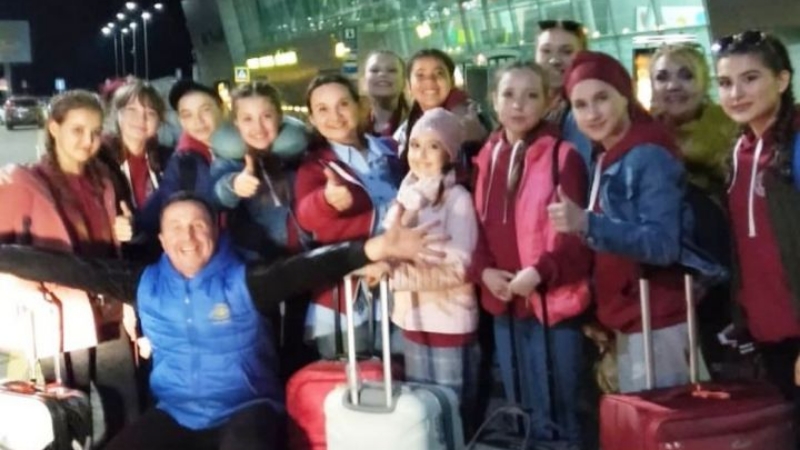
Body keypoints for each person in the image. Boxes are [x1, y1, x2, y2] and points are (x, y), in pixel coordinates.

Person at [0, 192, 445, 450]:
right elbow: (68, 268)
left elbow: (307, 267)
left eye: (198, 225)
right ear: (162, 239)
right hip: (177, 412)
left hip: (247, 409)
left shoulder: (244, 281)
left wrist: (373, 248)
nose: (188, 236)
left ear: (214, 230)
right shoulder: (144, 283)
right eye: (176, 228)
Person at [548, 51, 724, 393]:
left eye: (602, 98)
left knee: (669, 418)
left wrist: (587, 224)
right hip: (633, 315)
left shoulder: (647, 154)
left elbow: (662, 244)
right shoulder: (610, 153)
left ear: (624, 97)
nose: (592, 113)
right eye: (581, 105)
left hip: (656, 318)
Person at [0, 90, 139, 439]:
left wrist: (124, 231)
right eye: (77, 130)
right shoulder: (24, 182)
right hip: (61, 321)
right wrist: (34, 293)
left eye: (95, 132)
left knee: (123, 409)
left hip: (110, 312)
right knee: (75, 421)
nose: (88, 141)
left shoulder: (104, 181)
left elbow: (111, 243)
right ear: (54, 128)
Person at [470, 61, 591, 445]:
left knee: (559, 410)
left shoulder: (562, 156)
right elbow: (477, 226)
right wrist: (483, 271)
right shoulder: (487, 156)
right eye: (508, 94)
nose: (518, 104)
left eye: (531, 95)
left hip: (550, 303)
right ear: (493, 100)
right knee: (519, 407)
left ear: (550, 102)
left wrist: (540, 271)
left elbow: (578, 235)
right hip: (505, 302)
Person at [361, 107, 480, 431]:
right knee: (421, 410)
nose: (421, 154)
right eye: (415, 145)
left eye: (433, 146)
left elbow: (460, 267)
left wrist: (395, 276)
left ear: (449, 153)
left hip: (448, 320)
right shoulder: (407, 194)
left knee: (450, 410)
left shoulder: (457, 199)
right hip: (412, 319)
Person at [713, 30, 800, 430]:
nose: (735, 93)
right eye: (725, 82)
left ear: (782, 80)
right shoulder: (738, 152)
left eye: (750, 78)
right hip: (767, 335)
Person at [294, 74, 403, 358]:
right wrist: (326, 201)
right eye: (323, 109)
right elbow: (306, 216)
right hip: (344, 297)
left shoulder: (392, 153)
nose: (335, 116)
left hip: (399, 288)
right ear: (312, 119)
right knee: (351, 379)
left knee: (400, 376)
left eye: (343, 104)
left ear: (359, 105)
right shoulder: (314, 167)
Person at [210, 81, 312, 378]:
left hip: (301, 258)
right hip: (256, 264)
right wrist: (234, 186)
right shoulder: (229, 159)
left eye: (266, 116)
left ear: (280, 116)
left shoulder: (298, 153)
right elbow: (215, 194)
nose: (258, 127)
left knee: (300, 340)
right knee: (262, 340)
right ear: (235, 124)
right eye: (247, 118)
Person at [649, 43, 739, 379]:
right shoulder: (642, 134)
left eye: (686, 75)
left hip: (730, 269)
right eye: (663, 77)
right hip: (666, 276)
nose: (673, 85)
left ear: (704, 82)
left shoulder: (732, 127)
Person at [97, 79, 174, 262]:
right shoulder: (99, 160)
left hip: (163, 255)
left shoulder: (169, 160)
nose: (141, 119)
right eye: (132, 110)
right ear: (118, 115)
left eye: (150, 113)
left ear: (159, 120)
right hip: (116, 259)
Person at [137, 79, 224, 234]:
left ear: (221, 109)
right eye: (187, 115)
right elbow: (162, 203)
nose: (198, 121)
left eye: (205, 110)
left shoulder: (246, 147)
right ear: (180, 121)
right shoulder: (183, 162)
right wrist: (134, 227)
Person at [394, 49, 489, 183]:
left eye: (439, 73)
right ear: (409, 85)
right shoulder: (406, 128)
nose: (430, 80)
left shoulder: (470, 120)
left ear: (451, 80)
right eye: (420, 75)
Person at [535, 19, 593, 169]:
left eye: (566, 52)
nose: (555, 60)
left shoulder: (582, 114)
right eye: (546, 51)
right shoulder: (528, 105)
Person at [362, 50, 409, 138]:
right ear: (364, 81)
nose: (382, 74)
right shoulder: (353, 129)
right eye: (374, 70)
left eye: (392, 70)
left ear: (404, 81)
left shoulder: (418, 124)